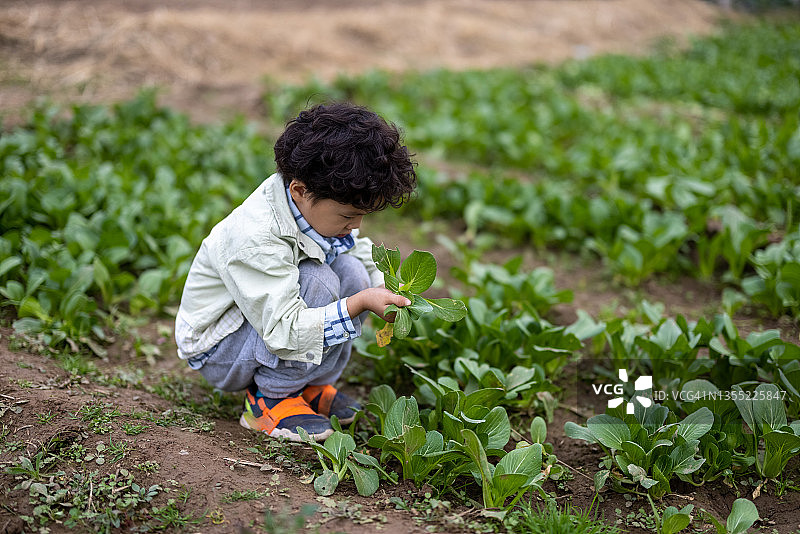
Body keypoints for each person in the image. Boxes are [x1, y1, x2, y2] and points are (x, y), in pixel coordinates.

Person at [174, 102, 417, 441]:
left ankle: (309, 386)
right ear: (301, 191)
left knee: (354, 271)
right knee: (320, 280)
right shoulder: (256, 236)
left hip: (261, 327)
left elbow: (358, 252)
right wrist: (359, 303)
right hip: (218, 349)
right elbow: (283, 329)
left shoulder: (310, 207)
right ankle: (269, 399)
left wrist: (380, 288)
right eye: (348, 217)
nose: (357, 226)